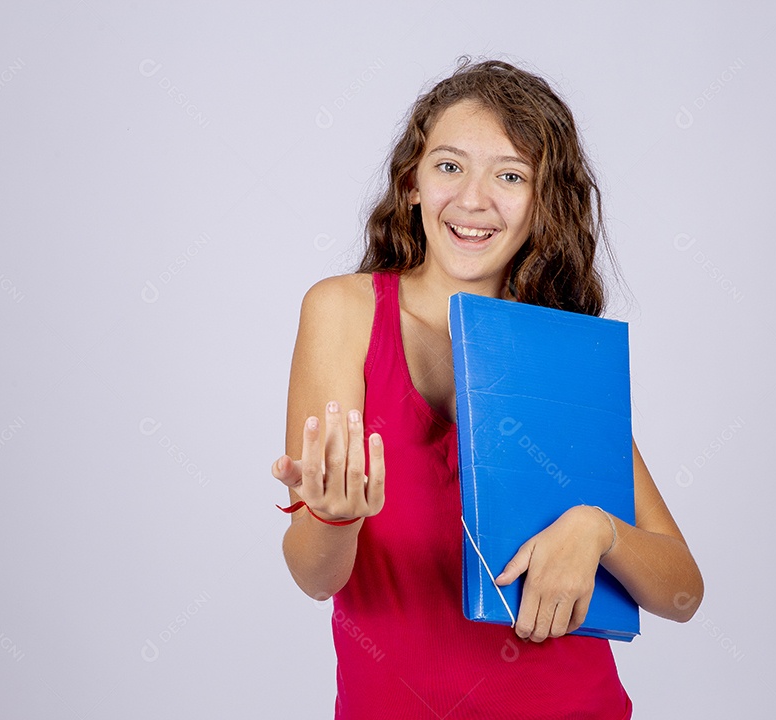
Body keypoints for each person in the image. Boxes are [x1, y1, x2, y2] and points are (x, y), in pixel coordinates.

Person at [271, 57, 703, 719]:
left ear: (541, 203)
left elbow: (682, 592)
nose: (473, 200)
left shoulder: (559, 351)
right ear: (411, 184)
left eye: (510, 175)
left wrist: (599, 532)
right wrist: (335, 516)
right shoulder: (345, 312)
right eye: (449, 166)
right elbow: (315, 576)